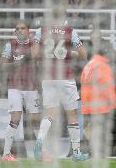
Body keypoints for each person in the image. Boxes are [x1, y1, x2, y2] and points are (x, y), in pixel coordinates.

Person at [32, 10, 88, 162]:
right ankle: (76, 152)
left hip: (48, 77)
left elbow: (35, 54)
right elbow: (83, 54)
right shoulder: (71, 31)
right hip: (65, 77)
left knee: (49, 114)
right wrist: (71, 53)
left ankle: (40, 140)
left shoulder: (40, 31)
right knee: (72, 115)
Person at [0, 20, 41, 162]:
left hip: (31, 87)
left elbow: (38, 57)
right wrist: (16, 64)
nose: (20, 31)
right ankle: (6, 154)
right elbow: (2, 66)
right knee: (15, 118)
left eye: (23, 28)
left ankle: (41, 152)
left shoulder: (34, 45)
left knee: (36, 120)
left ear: (28, 31)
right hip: (15, 87)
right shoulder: (9, 45)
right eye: (17, 29)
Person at [80, 31, 116, 167]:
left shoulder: (89, 64)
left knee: (90, 131)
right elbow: (107, 87)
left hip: (86, 105)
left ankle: (91, 152)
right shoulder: (103, 66)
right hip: (99, 105)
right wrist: (113, 104)